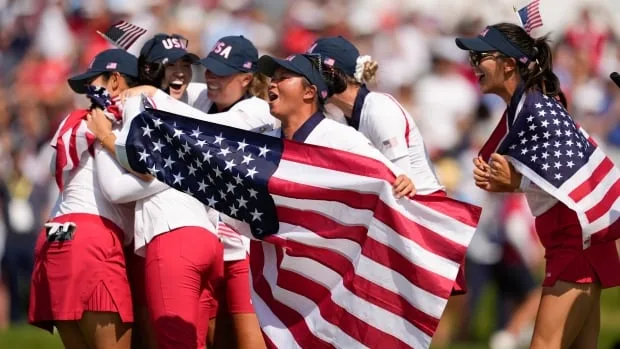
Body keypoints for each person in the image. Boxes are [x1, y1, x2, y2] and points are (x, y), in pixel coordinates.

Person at [455, 22, 620, 349]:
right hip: (574, 237)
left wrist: (515, 181)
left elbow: (577, 180)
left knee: (545, 345)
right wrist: (512, 182)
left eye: (480, 56)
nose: (473, 65)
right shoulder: (528, 106)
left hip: (576, 238)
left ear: (507, 64)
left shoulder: (536, 109)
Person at [87, 34, 224, 349]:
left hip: (174, 238)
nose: (180, 73)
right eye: (171, 65)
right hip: (207, 241)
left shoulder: (140, 105)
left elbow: (130, 179)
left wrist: (107, 138)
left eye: (185, 65)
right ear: (149, 69)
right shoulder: (190, 106)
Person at [306, 36, 468, 295]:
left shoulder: (378, 108)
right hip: (403, 221)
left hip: (419, 221)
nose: (308, 79)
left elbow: (401, 183)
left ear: (334, 72)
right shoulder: (348, 117)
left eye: (314, 71)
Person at [28, 49, 138, 349]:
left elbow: (51, 168)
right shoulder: (123, 123)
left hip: (54, 232)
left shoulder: (75, 123)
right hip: (92, 236)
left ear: (115, 80)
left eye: (93, 81)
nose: (88, 91)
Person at [256, 53, 415, 197]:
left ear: (309, 92)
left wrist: (402, 181)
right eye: (273, 79)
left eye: (283, 78)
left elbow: (397, 180)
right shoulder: (261, 144)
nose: (272, 84)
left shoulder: (342, 139)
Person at [199, 35, 270, 349]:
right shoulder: (203, 100)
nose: (212, 79)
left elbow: (204, 129)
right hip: (209, 247)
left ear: (247, 78)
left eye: (222, 73)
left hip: (245, 250)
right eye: (209, 70)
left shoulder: (259, 110)